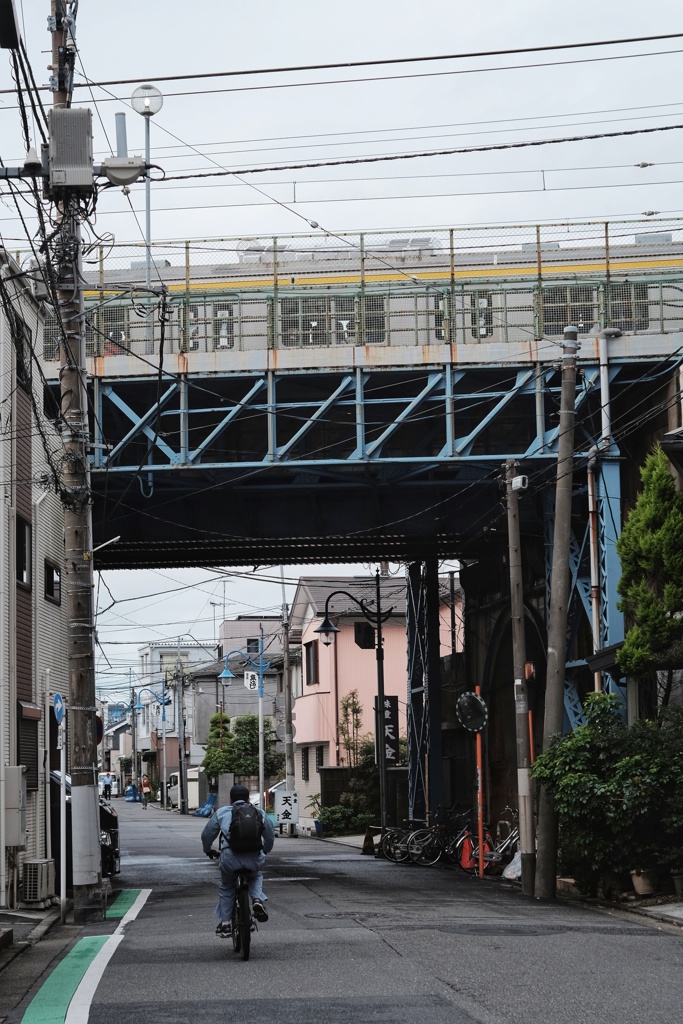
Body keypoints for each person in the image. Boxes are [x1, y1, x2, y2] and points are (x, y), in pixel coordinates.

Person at [201, 784, 275, 937]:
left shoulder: (222, 813)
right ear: (248, 799)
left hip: (230, 858)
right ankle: (256, 900)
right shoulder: (258, 812)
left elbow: (207, 835)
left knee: (228, 886)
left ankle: (226, 923)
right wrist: (266, 850)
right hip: (254, 856)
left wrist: (208, 850)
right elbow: (269, 836)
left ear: (230, 799)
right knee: (255, 875)